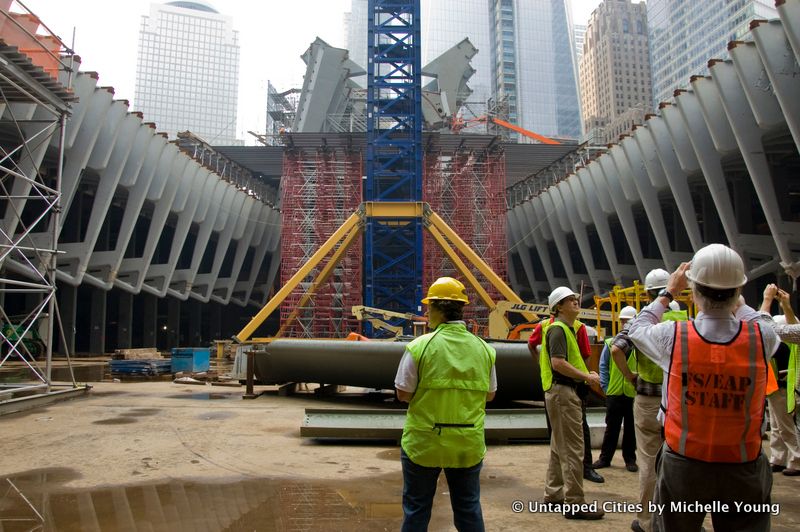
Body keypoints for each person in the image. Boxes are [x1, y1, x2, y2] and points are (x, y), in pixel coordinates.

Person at [628, 244, 780, 532]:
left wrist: (668, 292)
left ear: (693, 290)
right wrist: (740, 303)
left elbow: (636, 329)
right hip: (743, 465)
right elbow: (760, 320)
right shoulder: (761, 339)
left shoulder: (673, 337)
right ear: (737, 292)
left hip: (684, 467)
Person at [394, 277, 497, 531]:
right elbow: (490, 395)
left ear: (439, 308)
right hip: (467, 444)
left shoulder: (420, 346)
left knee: (417, 510)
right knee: (469, 509)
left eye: (429, 307)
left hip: (424, 444)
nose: (427, 312)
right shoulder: (484, 349)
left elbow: (403, 394)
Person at [628, 268, 688, 532]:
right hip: (678, 400)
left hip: (649, 398)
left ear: (649, 293)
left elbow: (621, 344)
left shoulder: (646, 323)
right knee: (680, 463)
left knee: (649, 462)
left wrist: (631, 377)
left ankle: (647, 520)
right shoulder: (685, 321)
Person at [539, 286, 605, 520]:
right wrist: (587, 376)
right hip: (563, 394)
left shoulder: (566, 329)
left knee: (559, 447)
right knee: (574, 450)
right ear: (559, 307)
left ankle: (553, 495)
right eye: (570, 300)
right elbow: (558, 363)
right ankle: (575, 502)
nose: (576, 302)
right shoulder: (558, 330)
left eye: (575, 299)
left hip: (563, 393)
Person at [528, 313, 605, 484]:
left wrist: (583, 375)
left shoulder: (577, 327)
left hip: (572, 385)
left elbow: (584, 355)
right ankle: (574, 479)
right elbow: (535, 347)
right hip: (557, 384)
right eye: (570, 300)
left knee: (576, 429)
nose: (575, 303)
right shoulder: (549, 326)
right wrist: (542, 365)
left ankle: (585, 467)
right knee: (566, 434)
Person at [760, 285, 800, 476]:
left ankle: (796, 459)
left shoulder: (782, 346)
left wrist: (767, 301)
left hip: (782, 388)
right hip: (774, 387)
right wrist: (786, 305)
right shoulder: (785, 345)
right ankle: (779, 458)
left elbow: (766, 326)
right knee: (777, 426)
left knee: (785, 427)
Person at [594, 305, 638, 472]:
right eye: (623, 321)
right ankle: (605, 459)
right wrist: (605, 387)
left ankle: (630, 460)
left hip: (631, 392)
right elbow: (603, 366)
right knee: (611, 427)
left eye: (626, 320)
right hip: (614, 392)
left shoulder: (638, 342)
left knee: (631, 428)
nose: (624, 324)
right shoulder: (610, 342)